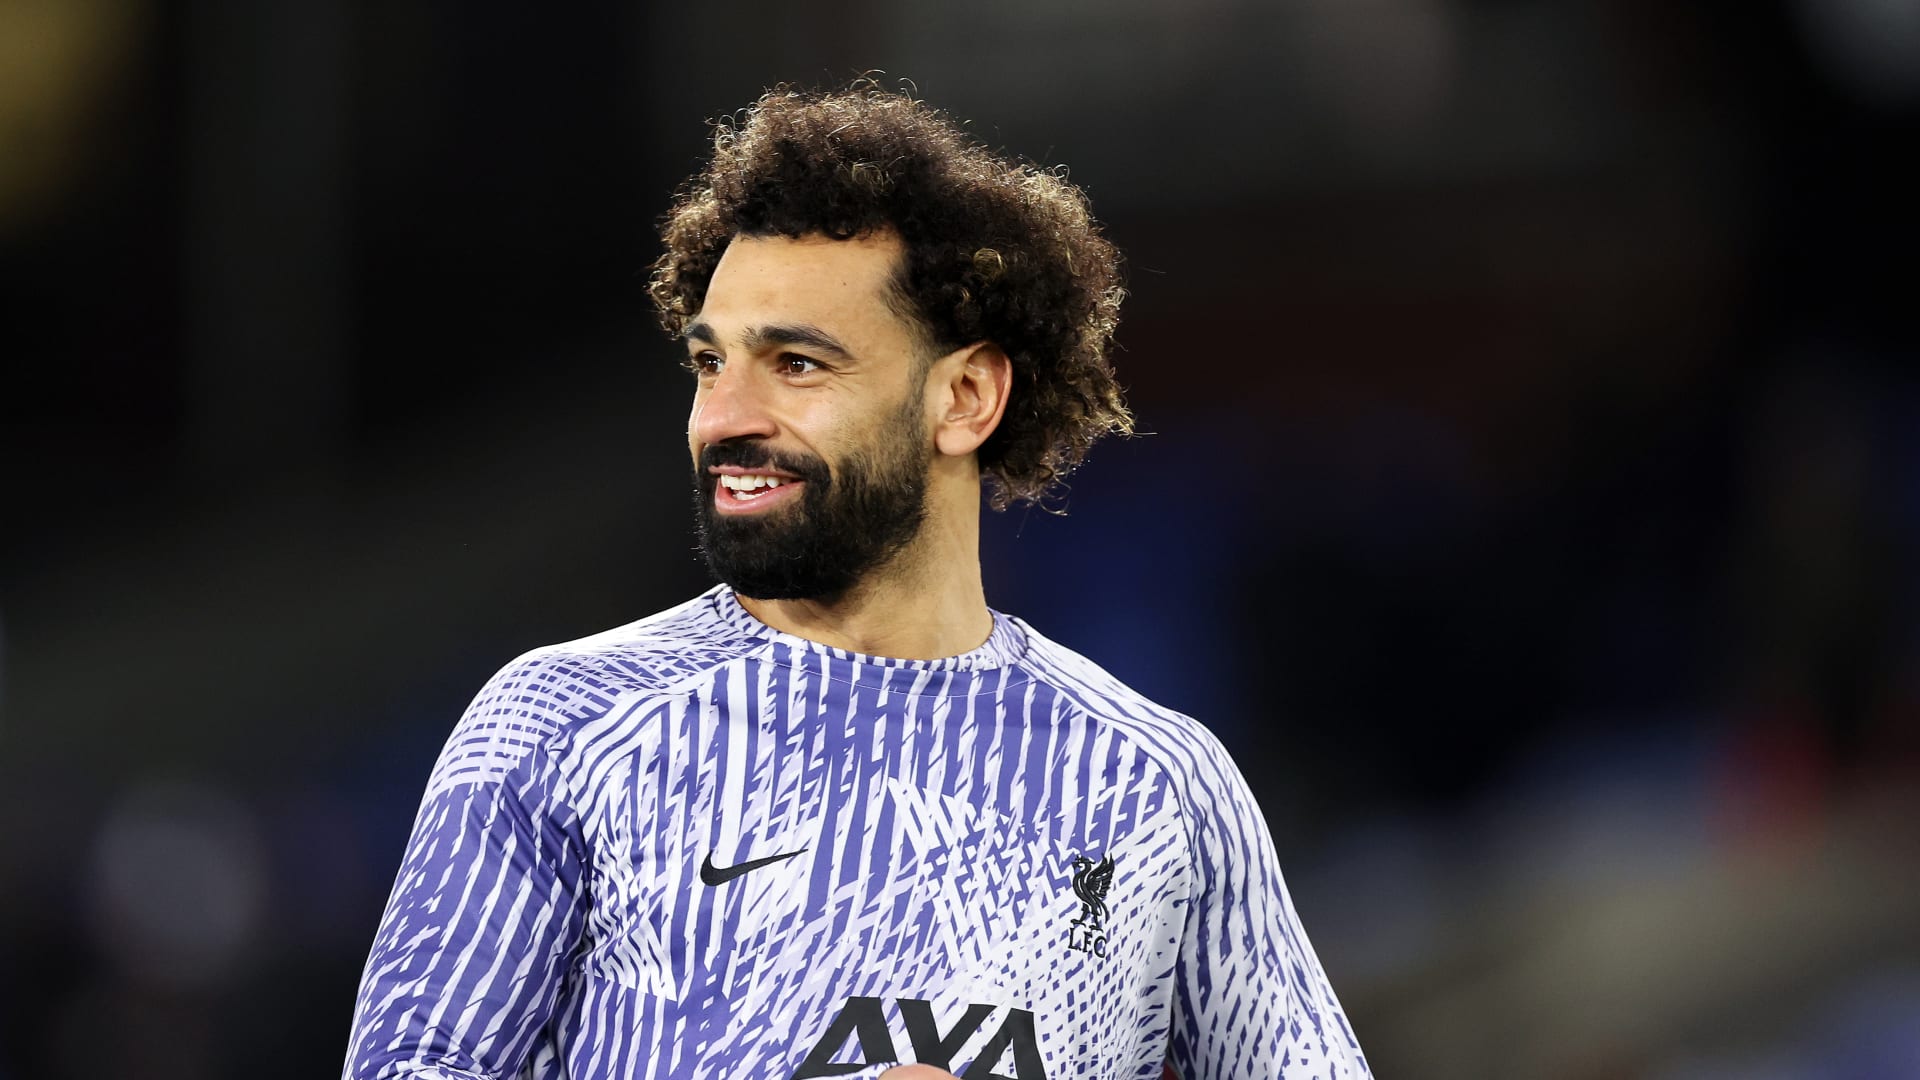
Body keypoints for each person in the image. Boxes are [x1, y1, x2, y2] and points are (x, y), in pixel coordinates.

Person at [343, 82, 1370, 1080]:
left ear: (964, 397)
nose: (722, 418)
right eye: (710, 363)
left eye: (796, 363)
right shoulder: (560, 723)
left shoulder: (1158, 783)